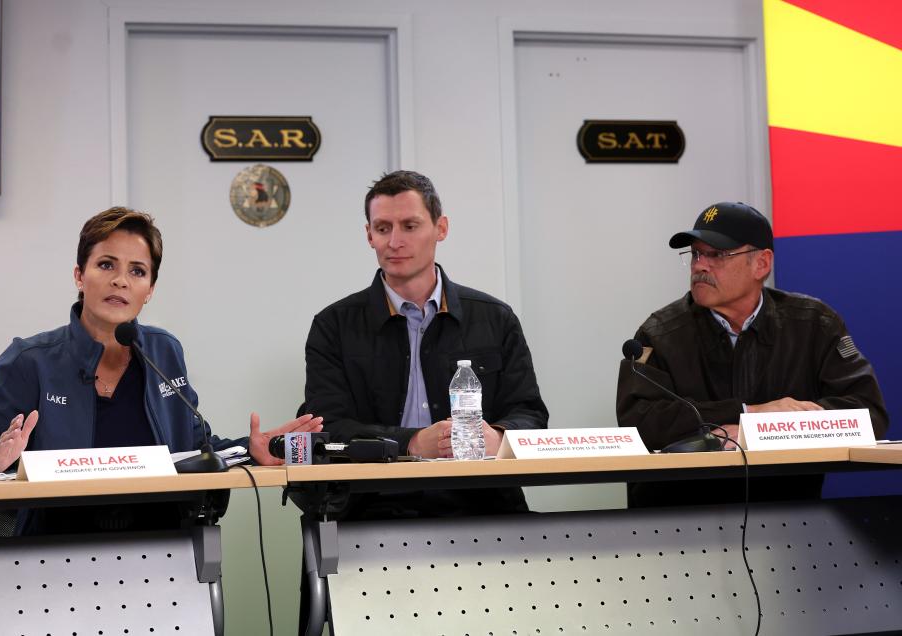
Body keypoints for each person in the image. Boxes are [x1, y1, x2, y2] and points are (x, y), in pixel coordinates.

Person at [0, 206, 322, 532]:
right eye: (106, 264)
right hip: (54, 553)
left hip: (165, 547)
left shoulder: (163, 353)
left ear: (150, 289)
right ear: (79, 276)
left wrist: (250, 449)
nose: (120, 280)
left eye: (138, 271)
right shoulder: (32, 360)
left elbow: (193, 449)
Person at [303, 170, 548, 518]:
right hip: (370, 505)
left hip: (480, 502)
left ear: (441, 228)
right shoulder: (334, 326)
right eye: (383, 228)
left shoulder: (494, 318)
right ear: (369, 235)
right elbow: (329, 427)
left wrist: (498, 436)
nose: (395, 241)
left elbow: (531, 414)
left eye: (410, 226)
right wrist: (413, 442)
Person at [616, 201, 889, 507]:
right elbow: (639, 423)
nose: (699, 266)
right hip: (680, 518)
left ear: (762, 264)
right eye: (695, 254)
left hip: (788, 514)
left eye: (717, 255)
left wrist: (767, 430)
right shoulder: (659, 333)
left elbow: (867, 413)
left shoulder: (814, 324)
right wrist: (750, 412)